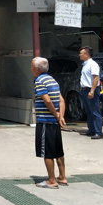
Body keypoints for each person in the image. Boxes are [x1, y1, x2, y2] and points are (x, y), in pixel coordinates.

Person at [31, 57, 68, 189]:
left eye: (31, 67)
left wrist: (55, 114)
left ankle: (52, 180)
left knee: (47, 152)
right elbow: (61, 100)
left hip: (45, 121)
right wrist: (60, 116)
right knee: (58, 150)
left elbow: (47, 100)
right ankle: (62, 177)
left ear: (37, 69)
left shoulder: (39, 81)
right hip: (54, 123)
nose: (31, 69)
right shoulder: (53, 80)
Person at [79, 46, 103, 139]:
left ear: (87, 54)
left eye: (81, 53)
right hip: (84, 90)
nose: (79, 55)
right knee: (88, 111)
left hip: (91, 89)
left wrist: (92, 91)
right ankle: (92, 129)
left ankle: (98, 132)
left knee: (95, 111)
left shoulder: (92, 64)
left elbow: (96, 78)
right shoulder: (85, 65)